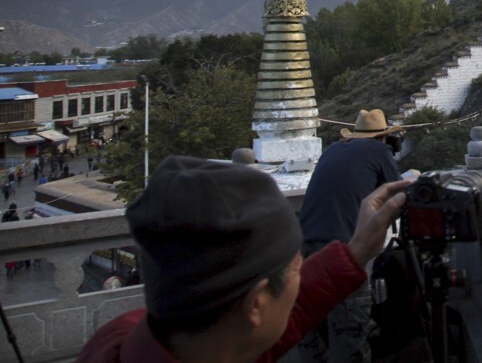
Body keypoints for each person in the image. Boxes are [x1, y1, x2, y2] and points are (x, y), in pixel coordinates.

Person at [78, 155, 407, 363]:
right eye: (296, 269)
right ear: (256, 305)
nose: (300, 279)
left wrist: (356, 251)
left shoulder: (127, 334)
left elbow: (295, 307)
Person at [296, 109, 404, 363]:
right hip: (344, 250)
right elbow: (397, 192)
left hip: (304, 249)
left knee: (312, 329)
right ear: (382, 138)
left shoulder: (332, 150)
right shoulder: (379, 151)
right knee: (349, 332)